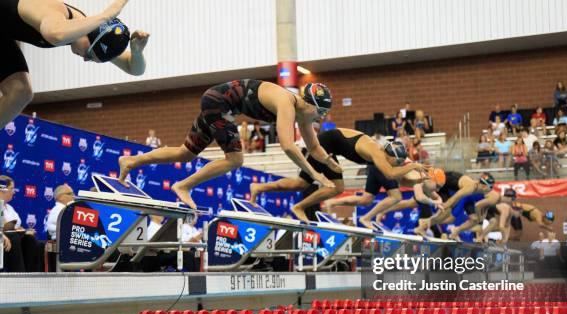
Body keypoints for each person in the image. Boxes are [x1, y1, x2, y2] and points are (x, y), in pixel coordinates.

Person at [118, 80, 339, 209]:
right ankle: (184, 185)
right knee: (235, 159)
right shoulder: (287, 103)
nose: (320, 117)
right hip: (218, 103)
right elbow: (288, 146)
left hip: (217, 102)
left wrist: (329, 164)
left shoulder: (305, 116)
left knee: (186, 153)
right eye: (320, 112)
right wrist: (315, 175)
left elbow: (314, 148)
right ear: (309, 104)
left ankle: (131, 161)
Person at [0, 0, 149, 130]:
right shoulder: (56, 13)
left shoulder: (90, 33)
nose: (85, 59)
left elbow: (134, 69)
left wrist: (136, 53)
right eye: (89, 55)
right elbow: (55, 34)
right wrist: (107, 14)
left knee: (20, 92)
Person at [249, 128, 428, 223]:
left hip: (328, 145)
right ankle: (300, 207)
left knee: (301, 183)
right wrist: (413, 164)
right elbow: (391, 173)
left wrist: (422, 179)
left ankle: (258, 188)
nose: (394, 165)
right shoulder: (378, 154)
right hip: (324, 145)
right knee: (337, 187)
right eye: (397, 163)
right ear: (392, 157)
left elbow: (400, 178)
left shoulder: (384, 157)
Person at [413, 172, 496, 237]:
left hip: (457, 190)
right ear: (485, 186)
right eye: (491, 187)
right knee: (447, 211)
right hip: (445, 183)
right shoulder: (471, 187)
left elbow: (484, 209)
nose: (492, 189)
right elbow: (455, 198)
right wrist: (444, 206)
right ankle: (423, 225)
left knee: (472, 218)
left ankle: (424, 224)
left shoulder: (485, 192)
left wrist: (482, 216)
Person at [0, 176, 44, 272]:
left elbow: (16, 226)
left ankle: (31, 276)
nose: (14, 192)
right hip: (7, 236)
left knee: (30, 239)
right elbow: (4, 226)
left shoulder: (10, 208)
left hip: (13, 234)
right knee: (14, 237)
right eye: (12, 189)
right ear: (3, 189)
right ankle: (17, 275)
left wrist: (25, 232)